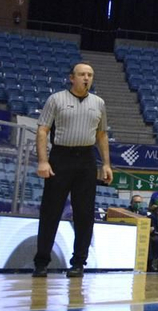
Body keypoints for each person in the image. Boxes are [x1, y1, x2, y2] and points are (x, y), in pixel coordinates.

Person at [31, 62, 113, 277]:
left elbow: (102, 135)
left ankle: (78, 263)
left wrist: (106, 164)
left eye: (90, 75)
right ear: (72, 78)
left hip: (86, 159)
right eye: (82, 74)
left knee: (84, 214)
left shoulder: (99, 103)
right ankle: (41, 263)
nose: (86, 78)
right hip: (60, 157)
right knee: (51, 212)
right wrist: (43, 160)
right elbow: (42, 131)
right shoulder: (56, 99)